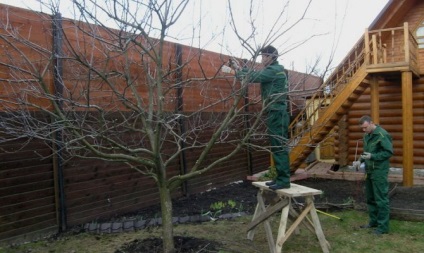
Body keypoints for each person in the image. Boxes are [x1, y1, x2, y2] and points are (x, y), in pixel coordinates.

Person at [225, 45, 291, 190]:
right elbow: (256, 74)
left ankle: (284, 180)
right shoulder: (274, 70)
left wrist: (237, 69)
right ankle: (280, 178)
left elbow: (253, 76)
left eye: (264, 56)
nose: (262, 59)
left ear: (272, 57)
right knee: (276, 146)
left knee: (279, 146)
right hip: (274, 112)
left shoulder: (274, 71)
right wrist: (238, 68)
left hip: (277, 113)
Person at [353, 115, 393, 235]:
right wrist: (360, 160)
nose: (364, 130)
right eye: (362, 128)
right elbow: (366, 152)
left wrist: (373, 156)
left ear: (371, 123)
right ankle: (373, 222)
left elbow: (388, 152)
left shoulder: (382, 135)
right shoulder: (367, 135)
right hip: (369, 170)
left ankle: (383, 227)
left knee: (381, 199)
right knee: (370, 198)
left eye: (365, 127)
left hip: (379, 171)